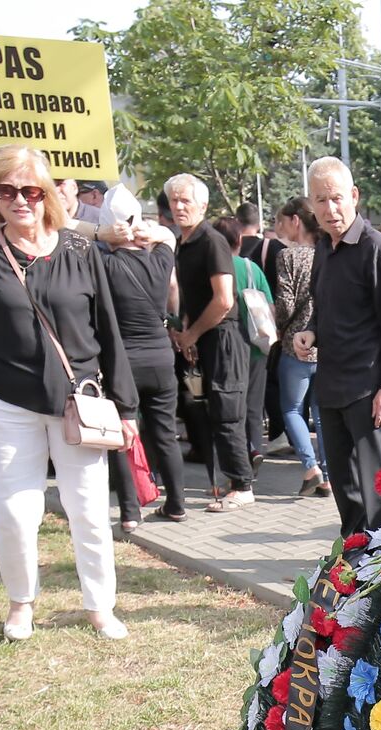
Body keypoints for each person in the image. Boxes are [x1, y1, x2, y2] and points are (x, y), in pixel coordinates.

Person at [0, 144, 140, 642]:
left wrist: (126, 406)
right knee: (15, 512)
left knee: (90, 510)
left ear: (48, 194)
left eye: (30, 190)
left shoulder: (80, 251)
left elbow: (108, 331)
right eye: (5, 190)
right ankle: (21, 604)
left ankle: (100, 606)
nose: (19, 200)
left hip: (81, 401)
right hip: (5, 400)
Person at [293, 157, 381, 534]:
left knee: (380, 496)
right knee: (347, 492)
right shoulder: (323, 250)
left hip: (369, 391)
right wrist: (310, 332)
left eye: (337, 198)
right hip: (330, 387)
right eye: (321, 201)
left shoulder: (375, 247)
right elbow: (324, 307)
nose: (331, 209)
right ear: (310, 206)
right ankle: (355, 565)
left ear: (354, 196)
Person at [98, 185, 187, 528]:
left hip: (123, 363)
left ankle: (130, 513)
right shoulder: (161, 259)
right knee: (165, 433)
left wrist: (101, 234)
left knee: (124, 435)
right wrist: (153, 230)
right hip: (162, 358)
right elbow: (170, 237)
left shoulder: (104, 263)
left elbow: (65, 229)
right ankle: (177, 504)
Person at [165, 174, 254, 513]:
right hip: (203, 338)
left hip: (224, 337)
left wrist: (192, 333)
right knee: (208, 408)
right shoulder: (182, 243)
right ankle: (230, 480)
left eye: (186, 200)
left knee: (227, 408)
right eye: (174, 200)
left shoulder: (211, 241)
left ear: (202, 205)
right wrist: (187, 332)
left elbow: (223, 300)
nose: (179, 206)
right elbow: (190, 295)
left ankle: (242, 485)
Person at [272, 196, 330, 498]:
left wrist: (279, 325)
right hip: (326, 342)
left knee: (292, 409)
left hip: (296, 341)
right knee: (322, 413)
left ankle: (311, 468)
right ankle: (328, 473)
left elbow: (286, 302)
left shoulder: (288, 257)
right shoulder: (328, 251)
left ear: (296, 220)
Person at [212, 216, 272, 472]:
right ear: (239, 240)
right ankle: (255, 448)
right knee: (254, 406)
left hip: (225, 346)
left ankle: (236, 463)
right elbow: (269, 306)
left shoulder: (213, 268)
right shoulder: (252, 268)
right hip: (256, 346)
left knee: (230, 407)